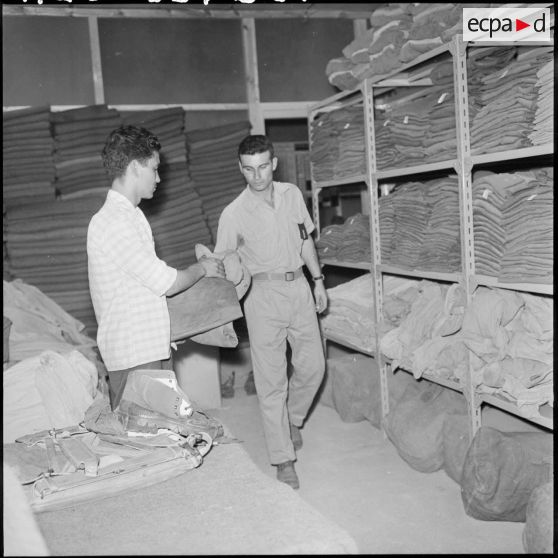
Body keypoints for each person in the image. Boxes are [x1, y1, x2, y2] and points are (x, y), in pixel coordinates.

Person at [214, 134, 328, 489]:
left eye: (263, 167)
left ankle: (292, 418)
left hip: (299, 289)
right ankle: (282, 459)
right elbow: (222, 262)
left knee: (315, 366)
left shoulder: (292, 194)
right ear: (240, 169)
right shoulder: (232, 214)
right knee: (271, 382)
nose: (257, 176)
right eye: (249, 170)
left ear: (274, 163)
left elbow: (304, 239)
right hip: (261, 298)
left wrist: (319, 279)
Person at [87, 125, 225, 411]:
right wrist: (203, 268)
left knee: (164, 434)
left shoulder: (131, 216)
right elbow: (166, 282)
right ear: (136, 167)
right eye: (154, 168)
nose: (159, 177)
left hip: (147, 347)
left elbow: (143, 288)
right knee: (145, 440)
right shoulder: (115, 222)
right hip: (135, 355)